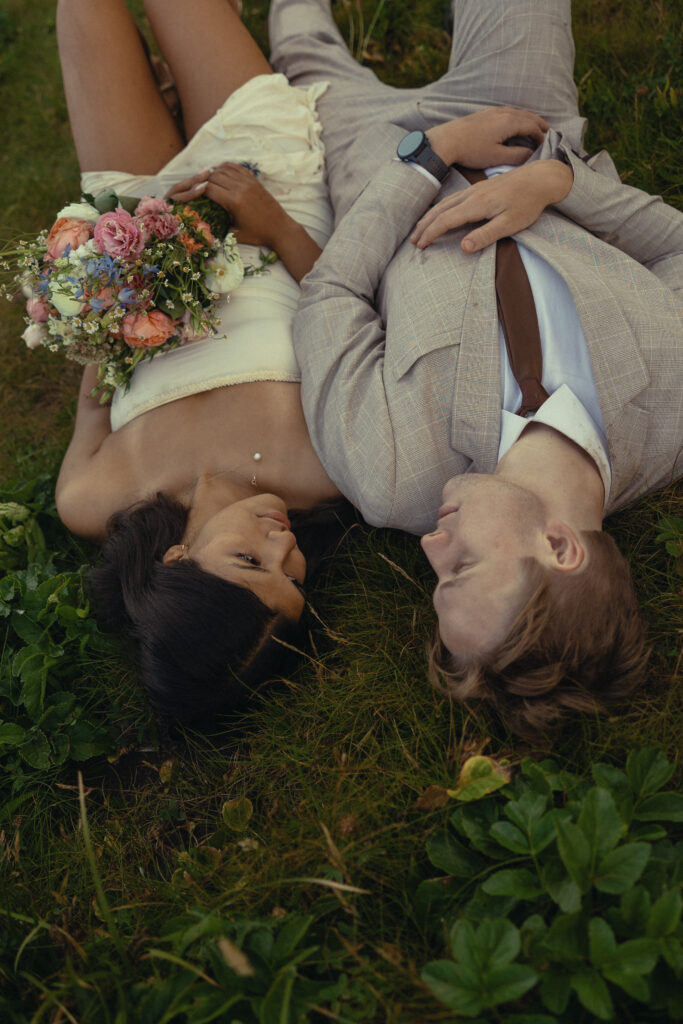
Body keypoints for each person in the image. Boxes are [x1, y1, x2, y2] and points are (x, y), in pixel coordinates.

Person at [268, 0, 683, 737]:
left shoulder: (389, 478)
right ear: (558, 546)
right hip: (523, 128)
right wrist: (560, 186)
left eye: (435, 576)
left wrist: (426, 158)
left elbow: (329, 296)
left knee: (297, 35)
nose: (430, 545)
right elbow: (674, 248)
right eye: (459, 569)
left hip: (377, 157)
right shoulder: (672, 411)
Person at [53, 0, 347, 726]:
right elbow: (352, 316)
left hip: (135, 213)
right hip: (260, 186)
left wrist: (104, 280)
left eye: (252, 563)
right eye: (292, 577)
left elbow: (97, 374)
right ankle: (187, 103)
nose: (282, 545)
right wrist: (272, 221)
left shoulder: (93, 496)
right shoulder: (322, 469)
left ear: (178, 564)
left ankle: (164, 108)